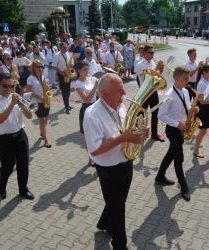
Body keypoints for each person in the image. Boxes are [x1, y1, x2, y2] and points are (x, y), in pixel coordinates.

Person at [83, 73, 146, 250]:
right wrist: (122, 138)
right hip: (109, 169)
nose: (124, 93)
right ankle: (120, 244)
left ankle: (104, 223)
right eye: (119, 90)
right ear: (104, 93)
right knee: (118, 209)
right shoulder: (92, 114)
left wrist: (139, 133)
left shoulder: (120, 106)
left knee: (117, 201)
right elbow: (94, 149)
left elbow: (125, 130)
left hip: (126, 162)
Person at [0, 73, 34, 200]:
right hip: (6, 139)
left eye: (11, 86)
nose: (8, 89)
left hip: (20, 135)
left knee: (23, 165)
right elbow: (0, 119)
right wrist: (12, 104)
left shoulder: (14, 96)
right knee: (7, 167)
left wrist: (23, 107)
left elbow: (29, 116)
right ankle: (2, 185)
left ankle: (23, 190)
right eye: (5, 86)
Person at [156, 67, 198, 201]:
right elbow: (161, 115)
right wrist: (177, 124)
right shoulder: (168, 95)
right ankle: (184, 187)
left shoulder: (185, 91)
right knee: (179, 158)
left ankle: (160, 176)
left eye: (188, 78)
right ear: (176, 78)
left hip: (183, 128)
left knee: (171, 154)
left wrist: (193, 109)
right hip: (173, 130)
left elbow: (187, 106)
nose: (188, 81)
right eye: (185, 79)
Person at [135, 45, 164, 142]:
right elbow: (148, 77)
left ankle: (154, 134)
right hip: (144, 92)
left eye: (153, 52)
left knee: (155, 113)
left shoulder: (152, 62)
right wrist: (156, 67)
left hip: (153, 91)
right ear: (144, 53)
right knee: (142, 114)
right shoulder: (140, 64)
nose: (152, 55)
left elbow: (157, 76)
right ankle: (138, 134)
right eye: (150, 52)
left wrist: (161, 69)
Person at [26, 60, 51, 148]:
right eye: (37, 66)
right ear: (33, 68)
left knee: (45, 120)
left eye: (41, 66)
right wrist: (39, 97)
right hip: (36, 102)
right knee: (42, 120)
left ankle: (42, 132)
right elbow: (28, 91)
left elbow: (48, 89)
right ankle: (46, 140)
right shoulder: (30, 78)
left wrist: (48, 89)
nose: (40, 68)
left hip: (46, 101)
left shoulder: (44, 77)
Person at [73, 61, 98, 133]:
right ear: (79, 70)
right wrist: (95, 86)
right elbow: (86, 100)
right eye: (85, 69)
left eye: (88, 69)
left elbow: (97, 94)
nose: (87, 71)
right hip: (87, 108)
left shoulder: (90, 79)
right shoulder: (78, 84)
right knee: (89, 133)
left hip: (95, 106)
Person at [52, 42, 73, 114]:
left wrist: (71, 65)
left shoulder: (68, 54)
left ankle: (67, 104)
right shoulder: (57, 55)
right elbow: (54, 66)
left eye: (66, 47)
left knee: (68, 91)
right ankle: (67, 106)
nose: (65, 48)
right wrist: (62, 73)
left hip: (68, 74)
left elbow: (71, 63)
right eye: (64, 47)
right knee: (64, 91)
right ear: (60, 48)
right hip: (61, 75)